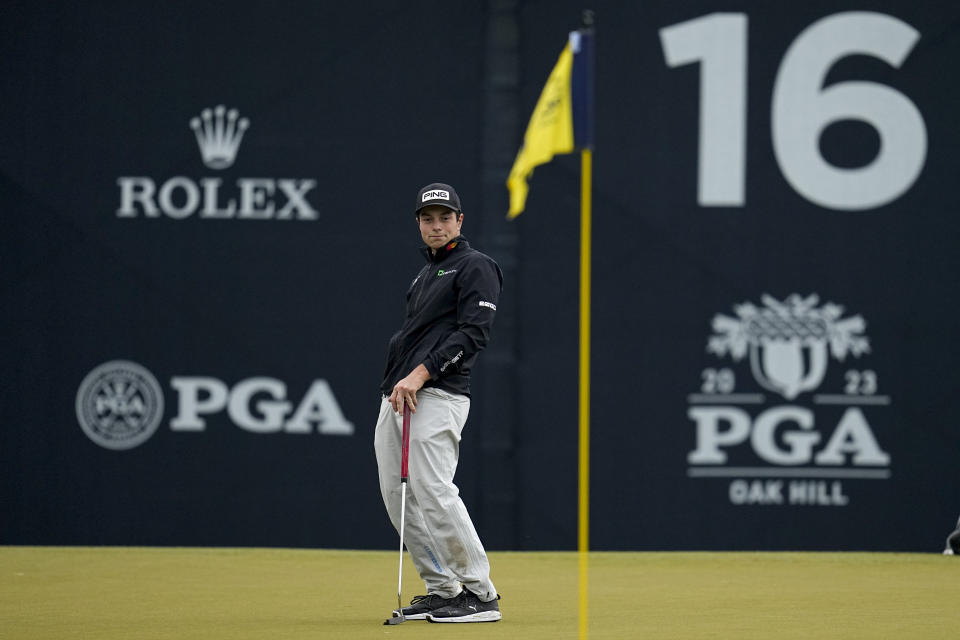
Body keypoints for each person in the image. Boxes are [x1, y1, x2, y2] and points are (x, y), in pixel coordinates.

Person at [374, 182, 503, 623]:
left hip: (438, 392)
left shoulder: (475, 266)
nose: (436, 225)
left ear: (459, 221)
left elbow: (473, 334)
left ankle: (480, 593)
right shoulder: (425, 273)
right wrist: (401, 381)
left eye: (445, 217)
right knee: (397, 496)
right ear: (418, 223)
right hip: (399, 395)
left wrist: (420, 374)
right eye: (428, 219)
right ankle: (443, 588)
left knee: (433, 490)